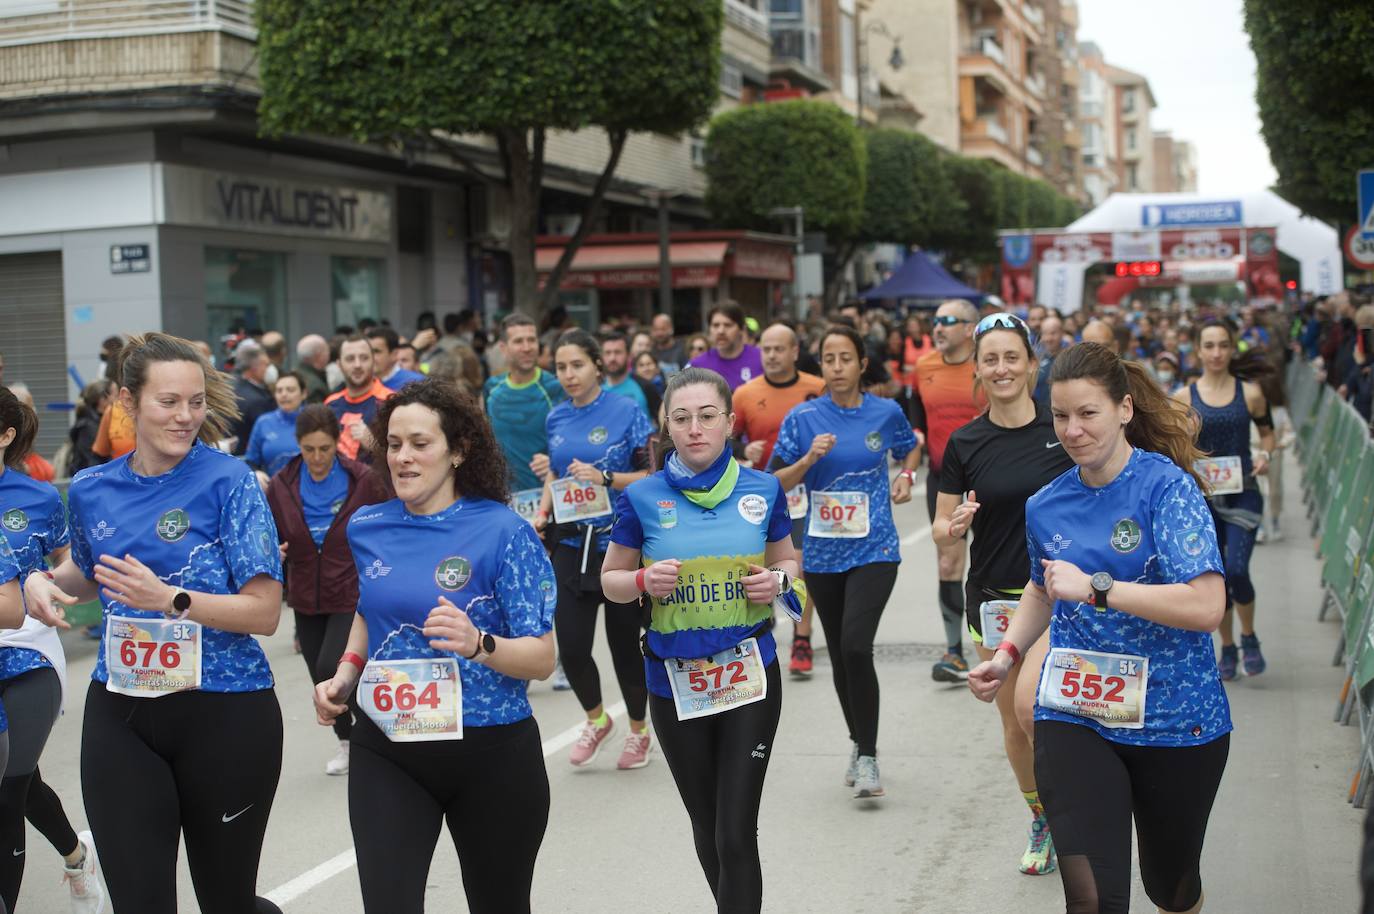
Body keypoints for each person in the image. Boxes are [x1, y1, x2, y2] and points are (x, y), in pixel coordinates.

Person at [23, 333, 286, 914]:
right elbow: (89, 576)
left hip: (226, 713)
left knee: (227, 901)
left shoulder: (230, 480)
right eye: (169, 402)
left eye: (196, 402)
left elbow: (265, 611)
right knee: (139, 901)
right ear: (127, 401)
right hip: (123, 711)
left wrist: (172, 599)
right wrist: (36, 582)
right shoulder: (93, 488)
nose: (186, 416)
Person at [969, 341, 1230, 914]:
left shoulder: (1168, 489)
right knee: (1091, 896)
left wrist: (1100, 589)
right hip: (1076, 710)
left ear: (1125, 409)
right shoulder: (1045, 504)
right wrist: (1008, 654)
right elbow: (1042, 586)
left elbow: (1207, 605)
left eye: (1088, 413)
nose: (1073, 430)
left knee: (1172, 887)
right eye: (1061, 416)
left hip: (1175, 718)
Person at [312, 379, 556, 914]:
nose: (403, 457)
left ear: (458, 450)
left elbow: (542, 658)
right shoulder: (367, 525)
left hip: (490, 753)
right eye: (394, 444)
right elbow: (371, 609)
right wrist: (347, 672)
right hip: (390, 747)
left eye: (420, 444)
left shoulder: (504, 531)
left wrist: (479, 644)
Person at [601, 367, 798, 913]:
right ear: (666, 426)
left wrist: (777, 582)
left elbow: (787, 561)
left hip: (749, 674)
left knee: (736, 829)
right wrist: (641, 580)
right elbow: (610, 583)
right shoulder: (641, 497)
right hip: (673, 682)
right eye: (682, 418)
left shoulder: (763, 488)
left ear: (729, 423)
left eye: (707, 417)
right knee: (708, 824)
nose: (695, 429)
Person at [932, 314, 1072, 876]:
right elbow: (942, 526)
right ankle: (1043, 816)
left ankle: (1085, 806)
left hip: (1065, 595)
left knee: (1044, 710)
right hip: (996, 598)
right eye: (990, 359)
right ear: (978, 369)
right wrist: (956, 524)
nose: (1002, 368)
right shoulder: (966, 442)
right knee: (1017, 723)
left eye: (1012, 356)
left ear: (1033, 364)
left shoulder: (1063, 430)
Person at [772, 325, 918, 798]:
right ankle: (858, 742)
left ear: (861, 364)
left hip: (875, 547)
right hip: (822, 552)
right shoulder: (803, 418)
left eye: (844, 358)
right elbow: (778, 478)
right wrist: (808, 461)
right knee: (838, 654)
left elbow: (908, 444)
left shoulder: (886, 411)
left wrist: (907, 476)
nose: (836, 367)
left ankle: (870, 755)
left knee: (857, 646)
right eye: (828, 359)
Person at [0, 388, 105, 913]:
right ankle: (75, 853)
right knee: (22, 780)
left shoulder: (38, 498)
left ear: (6, 436)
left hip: (28, 653)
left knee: (7, 790)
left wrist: (47, 587)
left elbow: (70, 563)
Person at [533, 331, 655, 768]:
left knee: (625, 647)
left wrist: (606, 479)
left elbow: (653, 474)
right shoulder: (557, 418)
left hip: (617, 544)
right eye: (561, 367)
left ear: (597, 366)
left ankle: (639, 731)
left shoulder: (626, 411)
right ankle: (597, 719)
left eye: (577, 365)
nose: (568, 375)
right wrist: (543, 511)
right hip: (572, 542)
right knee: (571, 645)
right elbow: (558, 475)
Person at [266, 405, 388, 777]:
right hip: (304, 592)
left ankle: (374, 734)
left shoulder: (362, 479)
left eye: (325, 448)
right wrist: (274, 550)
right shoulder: (282, 483)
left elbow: (385, 525)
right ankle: (349, 742)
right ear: (298, 446)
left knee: (330, 666)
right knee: (319, 676)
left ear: (338, 444)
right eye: (309, 449)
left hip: (350, 589)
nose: (317, 458)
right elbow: (271, 533)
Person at [1174, 320, 1276, 681]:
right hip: (1203, 500)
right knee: (1216, 577)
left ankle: (1249, 637)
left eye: (1223, 345)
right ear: (1198, 350)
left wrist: (1266, 456)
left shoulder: (1250, 393)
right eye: (1209, 345)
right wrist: (1184, 446)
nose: (1216, 353)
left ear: (1232, 349)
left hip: (1243, 492)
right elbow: (1173, 445)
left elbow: (1267, 433)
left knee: (1237, 569)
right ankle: (1228, 645)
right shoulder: (1184, 398)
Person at [732, 323, 826, 677]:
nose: (771, 355)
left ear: (794, 352)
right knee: (760, 563)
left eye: (778, 349)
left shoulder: (815, 389)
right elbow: (726, 437)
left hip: (804, 491)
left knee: (798, 562)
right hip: (756, 493)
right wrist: (743, 448)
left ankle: (801, 636)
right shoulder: (744, 393)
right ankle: (766, 614)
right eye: (766, 349)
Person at [911, 299, 984, 682]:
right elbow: (917, 414)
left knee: (994, 564)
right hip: (945, 481)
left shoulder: (986, 366)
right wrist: (917, 442)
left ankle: (1003, 645)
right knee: (948, 563)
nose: (938, 327)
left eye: (948, 321)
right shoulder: (923, 367)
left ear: (971, 328)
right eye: (935, 321)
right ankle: (954, 651)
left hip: (989, 481)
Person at [482, 313, 565, 509]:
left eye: (532, 340)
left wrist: (554, 461)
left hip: (549, 500)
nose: (527, 348)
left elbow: (574, 439)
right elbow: (487, 439)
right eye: (518, 341)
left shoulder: (556, 387)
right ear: (503, 348)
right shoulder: (491, 388)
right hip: (502, 500)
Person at [326, 334, 393, 464]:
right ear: (339, 364)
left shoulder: (391, 402)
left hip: (377, 482)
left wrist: (373, 446)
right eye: (350, 359)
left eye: (364, 358)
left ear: (373, 361)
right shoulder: (330, 403)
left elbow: (405, 456)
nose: (357, 365)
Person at [244, 370, 306, 477]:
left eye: (290, 390)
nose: (284, 394)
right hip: (273, 488)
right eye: (279, 391)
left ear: (304, 393)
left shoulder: (315, 420)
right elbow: (250, 461)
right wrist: (256, 473)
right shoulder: (263, 422)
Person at [689, 302, 764, 391]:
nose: (721, 331)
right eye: (716, 325)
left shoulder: (762, 358)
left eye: (728, 325)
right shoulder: (698, 365)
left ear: (742, 329)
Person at [228, 341, 275, 456]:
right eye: (266, 365)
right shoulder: (257, 400)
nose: (270, 369)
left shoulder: (231, 384)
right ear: (254, 368)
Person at [598, 331, 657, 418]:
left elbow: (663, 421)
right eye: (607, 353)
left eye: (618, 352)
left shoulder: (645, 386)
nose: (612, 358)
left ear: (629, 356)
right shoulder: (595, 388)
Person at [66, 379, 113, 477]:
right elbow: (92, 463)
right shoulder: (89, 428)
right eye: (116, 395)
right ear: (102, 401)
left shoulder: (94, 422)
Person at [366, 327, 426, 392]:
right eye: (368, 351)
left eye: (376, 351)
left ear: (394, 354)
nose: (371, 356)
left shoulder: (416, 383)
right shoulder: (361, 384)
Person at [294, 334, 333, 404]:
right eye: (327, 350)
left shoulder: (295, 373)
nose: (329, 354)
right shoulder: (316, 389)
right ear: (319, 355)